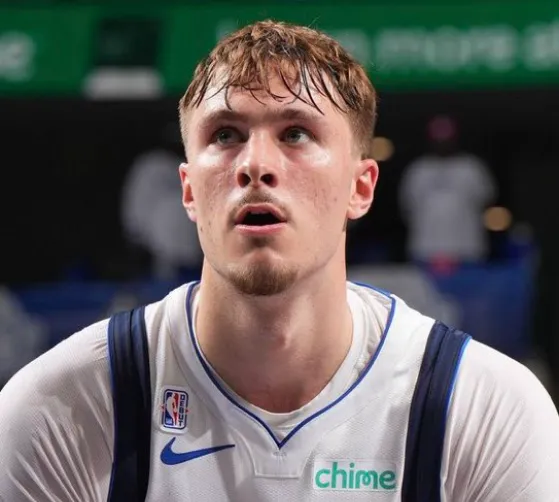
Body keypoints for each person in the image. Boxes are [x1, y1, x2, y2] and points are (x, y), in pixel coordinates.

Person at [1, 20, 558, 502]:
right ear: (188, 190)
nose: (256, 164)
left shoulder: (484, 408)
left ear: (360, 187)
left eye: (295, 133)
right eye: (226, 134)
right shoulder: (61, 407)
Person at [399, 115, 496, 269]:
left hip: (467, 249)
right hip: (425, 249)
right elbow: (407, 208)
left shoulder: (472, 168)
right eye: (438, 139)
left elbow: (487, 204)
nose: (442, 143)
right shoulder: (418, 170)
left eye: (446, 139)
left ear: (455, 139)